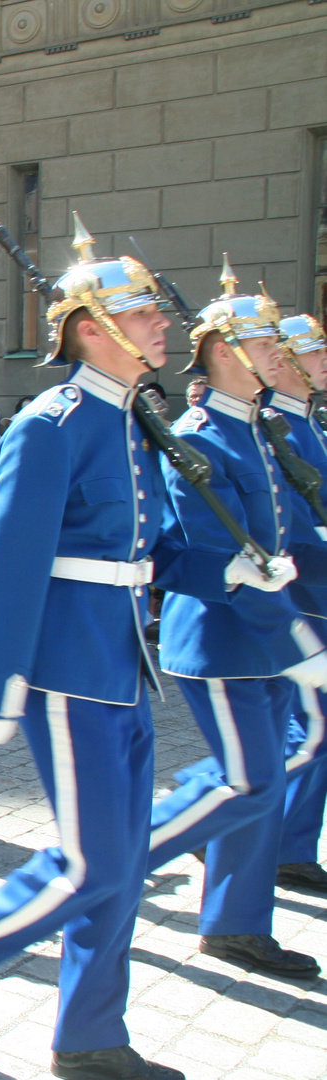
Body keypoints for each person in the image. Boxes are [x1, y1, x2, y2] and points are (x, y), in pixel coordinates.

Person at [0, 216, 198, 1080]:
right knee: (96, 861)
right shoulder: (53, 422)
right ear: (89, 328)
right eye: (143, 313)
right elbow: (8, 559)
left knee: (124, 862)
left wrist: (244, 565)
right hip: (67, 668)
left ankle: (91, 1035)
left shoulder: (132, 418)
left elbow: (157, 539)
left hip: (121, 663)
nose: (161, 325)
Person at [141, 260, 324, 980]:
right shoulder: (201, 437)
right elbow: (218, 558)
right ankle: (99, 868)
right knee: (250, 776)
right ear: (225, 352)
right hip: (222, 640)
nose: (281, 357)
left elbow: (290, 533)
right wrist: (301, 640)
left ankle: (236, 925)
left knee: (262, 777)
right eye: (268, 345)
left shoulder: (258, 429)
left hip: (267, 637)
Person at [269, 314, 327, 894]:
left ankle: (289, 842)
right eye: (312, 351)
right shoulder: (278, 428)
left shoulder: (306, 423)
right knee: (309, 730)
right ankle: (270, 840)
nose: (323, 359)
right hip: (303, 599)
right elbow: (290, 527)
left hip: (317, 595)